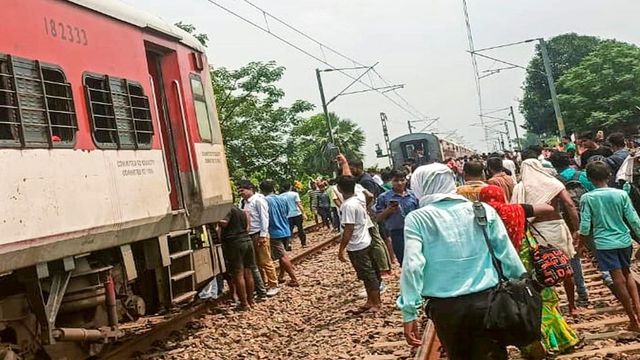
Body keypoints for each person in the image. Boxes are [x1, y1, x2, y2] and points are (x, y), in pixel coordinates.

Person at [397, 163, 526, 358]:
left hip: (446, 309)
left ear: (420, 186)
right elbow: (507, 255)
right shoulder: (482, 210)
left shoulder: (417, 219)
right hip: (487, 301)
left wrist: (409, 311)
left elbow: (412, 266)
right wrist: (523, 292)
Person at [480, 186, 580, 356]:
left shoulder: (481, 217)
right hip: (527, 263)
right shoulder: (516, 209)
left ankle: (532, 344)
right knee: (541, 300)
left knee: (517, 305)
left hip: (500, 267)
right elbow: (548, 208)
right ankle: (561, 339)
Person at [512, 159, 585, 315]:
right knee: (566, 267)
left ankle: (552, 307)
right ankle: (572, 306)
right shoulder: (553, 184)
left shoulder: (521, 187)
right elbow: (570, 205)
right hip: (557, 227)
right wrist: (577, 229)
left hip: (536, 231)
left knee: (541, 267)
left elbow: (517, 210)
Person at [580, 161, 640, 331]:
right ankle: (639, 312)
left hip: (604, 243)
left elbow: (585, 226)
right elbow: (634, 220)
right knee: (627, 272)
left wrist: (581, 245)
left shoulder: (588, 198)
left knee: (617, 278)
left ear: (590, 179)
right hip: (624, 240)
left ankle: (633, 320)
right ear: (609, 176)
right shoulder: (621, 195)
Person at [336, 175, 382, 314]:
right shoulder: (358, 199)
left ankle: (376, 303)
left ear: (339, 188)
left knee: (368, 275)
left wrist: (341, 249)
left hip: (357, 245)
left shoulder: (348, 205)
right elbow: (369, 195)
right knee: (366, 274)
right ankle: (370, 301)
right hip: (365, 240)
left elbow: (348, 229)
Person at [238, 180, 280, 297]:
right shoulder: (242, 202)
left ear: (251, 189)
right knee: (255, 262)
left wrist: (263, 235)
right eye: (239, 191)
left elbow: (264, 218)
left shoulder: (258, 201)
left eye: (243, 190)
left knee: (265, 261)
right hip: (249, 234)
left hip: (259, 234)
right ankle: (262, 284)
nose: (241, 193)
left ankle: (273, 284)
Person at [260, 181, 300, 287]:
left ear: (261, 190)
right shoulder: (282, 198)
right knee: (282, 254)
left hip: (274, 232)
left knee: (282, 256)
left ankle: (294, 279)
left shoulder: (264, 201)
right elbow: (287, 212)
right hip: (286, 229)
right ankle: (281, 276)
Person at [375, 170, 419, 265]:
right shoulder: (384, 197)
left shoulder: (413, 195)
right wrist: (388, 210)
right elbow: (378, 218)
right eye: (396, 180)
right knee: (403, 261)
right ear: (391, 181)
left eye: (402, 180)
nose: (399, 183)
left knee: (418, 258)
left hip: (415, 231)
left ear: (406, 180)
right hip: (397, 233)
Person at [218, 206, 257, 310]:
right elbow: (248, 228)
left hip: (235, 243)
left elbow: (224, 223)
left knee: (238, 274)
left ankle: (244, 304)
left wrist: (214, 220)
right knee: (248, 273)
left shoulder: (227, 209)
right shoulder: (242, 211)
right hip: (247, 240)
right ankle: (251, 301)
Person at [280, 182, 307, 249]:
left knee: (289, 231)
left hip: (287, 216)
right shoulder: (295, 194)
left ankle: (289, 244)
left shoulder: (280, 196)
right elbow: (299, 204)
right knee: (300, 229)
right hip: (297, 214)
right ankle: (303, 243)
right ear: (290, 187)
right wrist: (303, 213)